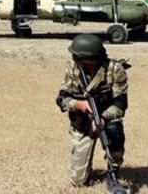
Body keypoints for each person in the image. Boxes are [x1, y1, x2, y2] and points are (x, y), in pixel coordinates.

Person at [56, 34, 130, 189]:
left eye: (77, 57)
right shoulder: (73, 67)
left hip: (106, 120)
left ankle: (113, 170)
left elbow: (120, 103)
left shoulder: (115, 69)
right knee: (78, 181)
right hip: (82, 123)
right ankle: (86, 168)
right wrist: (78, 104)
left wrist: (102, 118)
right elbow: (62, 98)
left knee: (114, 129)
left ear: (89, 60)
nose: (74, 59)